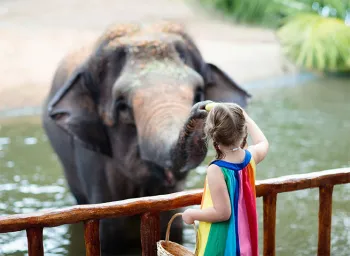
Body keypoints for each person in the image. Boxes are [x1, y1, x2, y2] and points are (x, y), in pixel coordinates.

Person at [182, 102, 269, 256]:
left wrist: (191, 214)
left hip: (222, 243)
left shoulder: (216, 170)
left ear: (212, 135)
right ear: (244, 130)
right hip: (244, 238)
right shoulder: (250, 157)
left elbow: (222, 213)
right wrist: (245, 115)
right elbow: (263, 142)